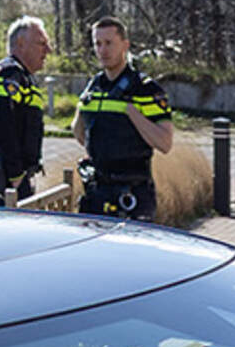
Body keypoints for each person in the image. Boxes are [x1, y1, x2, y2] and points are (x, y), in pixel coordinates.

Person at [74, 16, 175, 221]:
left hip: (133, 193)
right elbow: (80, 133)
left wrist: (130, 112)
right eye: (98, 44)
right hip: (97, 191)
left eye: (109, 43)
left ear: (125, 45)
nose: (103, 50)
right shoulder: (94, 86)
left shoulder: (145, 88)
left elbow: (165, 143)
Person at [0, 16, 53, 205]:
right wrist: (16, 174)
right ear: (20, 43)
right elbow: (3, 124)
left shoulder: (23, 76)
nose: (48, 50)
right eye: (41, 43)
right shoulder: (10, 74)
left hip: (9, 174)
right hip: (5, 176)